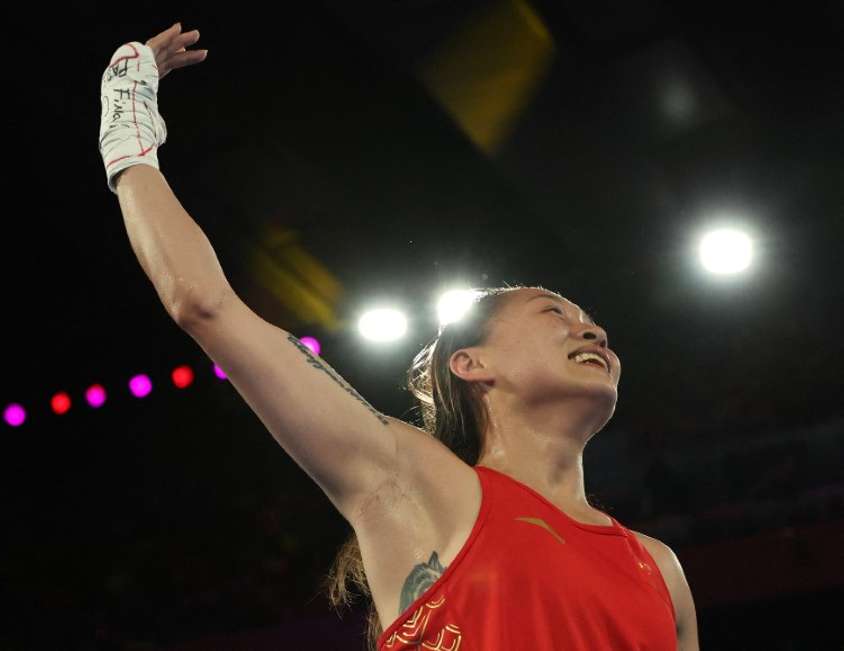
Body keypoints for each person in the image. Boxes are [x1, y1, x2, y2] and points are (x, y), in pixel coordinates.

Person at [98, 23, 699, 651]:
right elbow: (204, 303)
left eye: (589, 321)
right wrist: (128, 123)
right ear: (472, 363)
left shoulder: (660, 569)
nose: (592, 329)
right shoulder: (411, 481)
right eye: (555, 313)